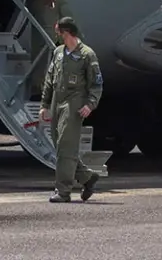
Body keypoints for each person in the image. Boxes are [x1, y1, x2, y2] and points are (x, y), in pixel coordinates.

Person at [39, 16, 103, 203]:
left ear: (67, 33)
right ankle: (87, 177)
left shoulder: (87, 55)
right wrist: (44, 105)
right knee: (60, 146)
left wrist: (90, 104)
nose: (57, 36)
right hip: (57, 102)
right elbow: (50, 80)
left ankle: (63, 190)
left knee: (66, 147)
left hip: (74, 104)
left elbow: (97, 84)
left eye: (59, 32)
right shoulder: (59, 52)